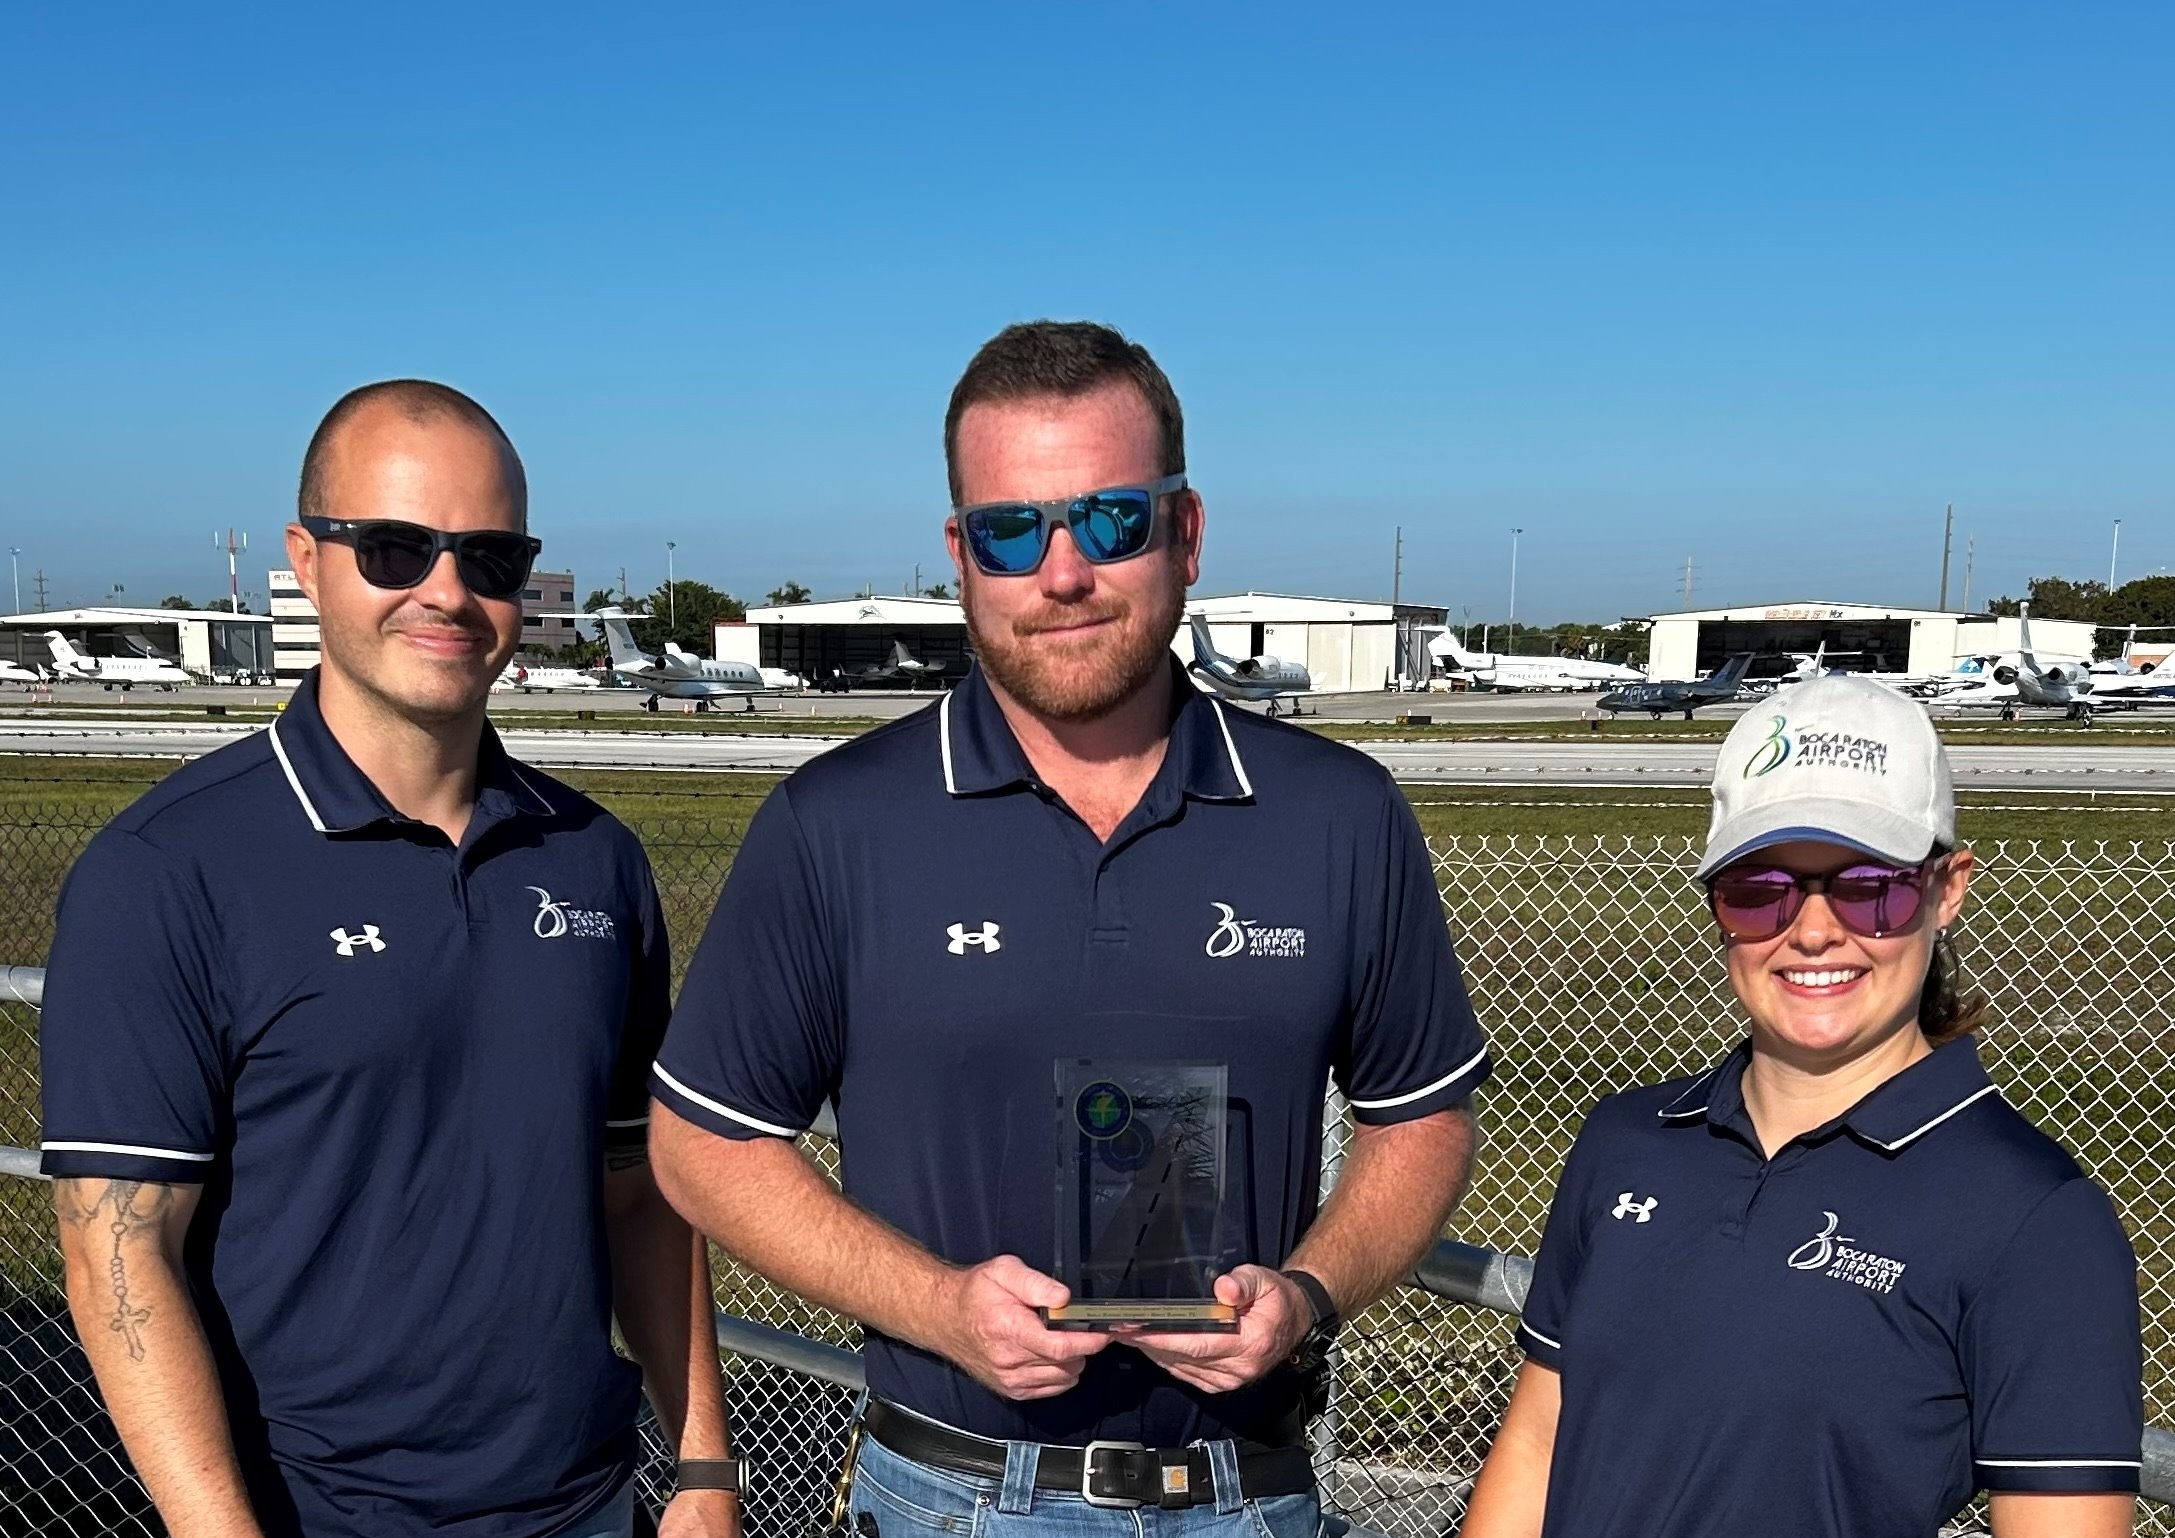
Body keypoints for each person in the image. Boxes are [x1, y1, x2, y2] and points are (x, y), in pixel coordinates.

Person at [648, 320, 1491, 1538]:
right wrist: (939, 1307)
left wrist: (1308, 1292)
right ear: (960, 555)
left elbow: (1422, 1119)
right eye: (1010, 530)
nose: (1062, 574)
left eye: (1109, 521)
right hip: (947, 1495)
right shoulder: (836, 824)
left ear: (1186, 532)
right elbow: (701, 1144)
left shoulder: (1338, 814)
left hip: (1245, 1495)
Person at [40, 380, 739, 1538]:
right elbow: (117, 1247)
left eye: (491, 557)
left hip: (584, 1500)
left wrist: (705, 1465)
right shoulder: (165, 869)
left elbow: (642, 1192)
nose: (447, 591)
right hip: (309, 1512)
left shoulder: (597, 859)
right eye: (396, 548)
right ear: (306, 560)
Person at [1464, 674, 2142, 1538]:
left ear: (1947, 889)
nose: (1814, 932)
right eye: (1761, 889)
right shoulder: (1627, 1139)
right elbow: (1537, 1441)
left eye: (1870, 887)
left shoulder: (2035, 1217)